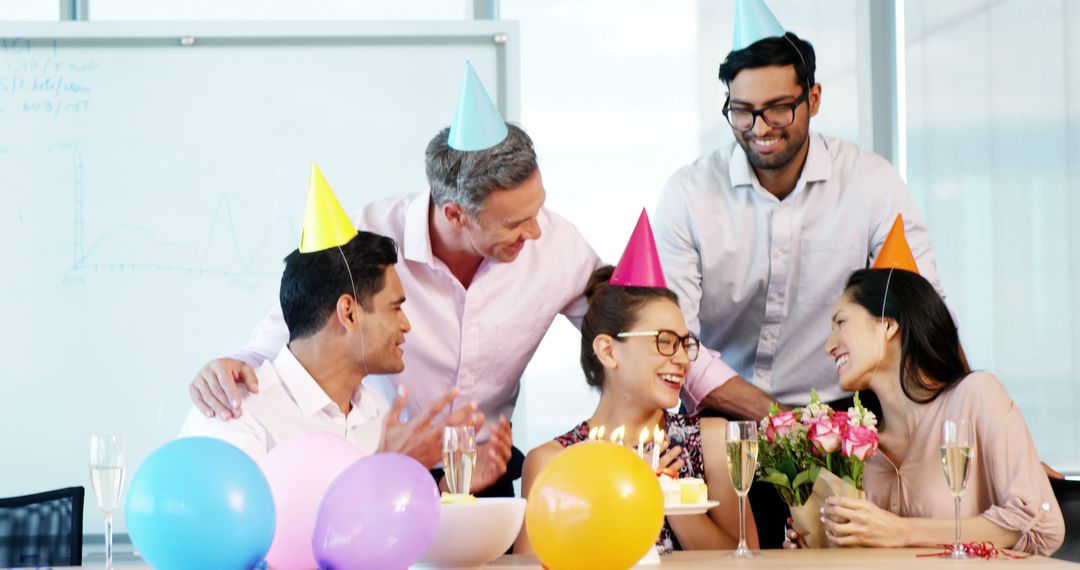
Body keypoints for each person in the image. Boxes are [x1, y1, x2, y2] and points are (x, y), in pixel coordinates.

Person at [185, 65, 742, 495]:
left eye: (537, 211)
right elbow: (294, 326)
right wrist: (230, 369)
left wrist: (728, 397)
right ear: (455, 215)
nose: (535, 233)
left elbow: (633, 326)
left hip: (484, 472)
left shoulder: (557, 244)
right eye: (515, 223)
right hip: (380, 464)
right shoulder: (373, 240)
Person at [652, 0, 941, 546]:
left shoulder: (872, 184)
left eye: (778, 108)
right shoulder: (688, 194)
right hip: (724, 416)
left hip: (845, 420)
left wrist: (983, 431)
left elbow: (921, 313)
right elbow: (675, 342)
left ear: (813, 98)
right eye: (742, 110)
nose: (759, 128)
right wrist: (780, 419)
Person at [816, 267, 1064, 555]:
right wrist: (818, 539)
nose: (829, 346)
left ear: (887, 325)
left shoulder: (976, 397)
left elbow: (1042, 525)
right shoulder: (852, 442)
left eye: (841, 323)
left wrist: (900, 531)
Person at [514, 264, 757, 554]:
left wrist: (668, 496)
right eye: (665, 341)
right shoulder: (553, 462)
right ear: (608, 351)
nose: (682, 358)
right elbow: (533, 564)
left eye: (684, 343)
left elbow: (745, 559)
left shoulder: (713, 440)